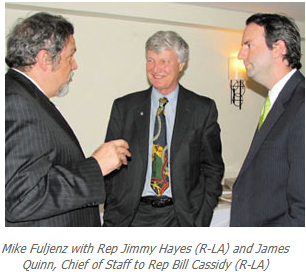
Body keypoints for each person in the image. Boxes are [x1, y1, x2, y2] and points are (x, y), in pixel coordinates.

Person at [5, 12, 131, 227]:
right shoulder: (18, 103)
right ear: (45, 59)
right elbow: (21, 198)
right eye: (70, 56)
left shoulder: (26, 97)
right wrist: (96, 166)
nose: (74, 65)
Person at [103, 31, 224, 227]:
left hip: (182, 218)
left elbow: (212, 167)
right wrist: (112, 209)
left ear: (181, 65)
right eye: (150, 60)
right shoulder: (124, 107)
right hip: (131, 217)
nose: (155, 68)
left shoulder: (202, 109)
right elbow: (110, 165)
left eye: (164, 61)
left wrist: (203, 214)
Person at [230, 13, 305, 227]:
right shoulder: (278, 100)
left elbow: (302, 210)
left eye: (249, 45)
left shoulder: (302, 105)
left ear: (279, 48)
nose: (240, 54)